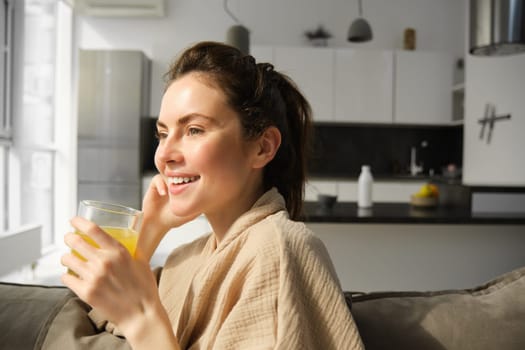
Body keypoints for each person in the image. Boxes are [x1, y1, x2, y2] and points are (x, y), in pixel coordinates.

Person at [61, 41, 364, 350]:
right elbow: (107, 318)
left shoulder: (279, 248)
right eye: (163, 134)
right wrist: (150, 230)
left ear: (262, 147)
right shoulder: (189, 257)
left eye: (194, 129)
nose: (163, 155)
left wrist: (143, 319)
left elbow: (135, 322)